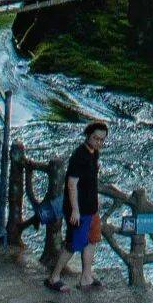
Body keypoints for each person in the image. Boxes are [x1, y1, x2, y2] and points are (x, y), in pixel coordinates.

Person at [49, 120, 108, 293]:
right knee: (73, 244)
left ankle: (86, 277)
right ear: (88, 136)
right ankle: (54, 277)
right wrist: (75, 209)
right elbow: (71, 184)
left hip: (91, 208)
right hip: (79, 209)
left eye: (102, 140)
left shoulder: (93, 153)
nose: (98, 142)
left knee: (92, 240)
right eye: (96, 138)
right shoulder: (79, 156)